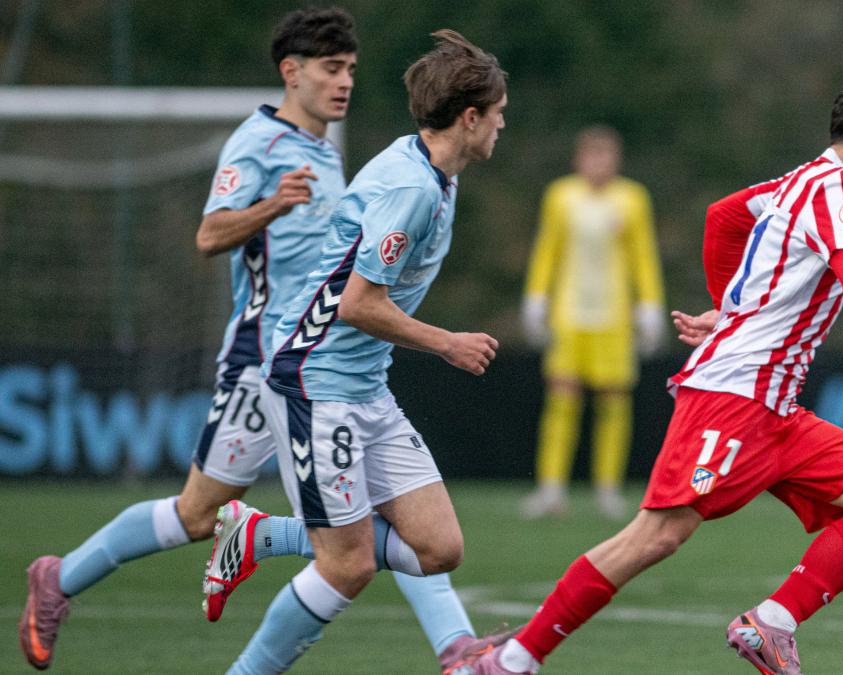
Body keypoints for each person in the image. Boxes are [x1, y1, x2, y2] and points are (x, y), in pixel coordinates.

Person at [463, 69, 843, 674]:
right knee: (654, 538)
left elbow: (724, 216)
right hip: (734, 399)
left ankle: (770, 624)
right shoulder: (834, 189)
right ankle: (511, 660)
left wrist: (733, 312)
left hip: (775, 407)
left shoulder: (799, 182)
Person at [18, 10, 500, 672]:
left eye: (352, 70)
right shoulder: (257, 144)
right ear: (291, 72)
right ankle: (61, 575)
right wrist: (273, 204)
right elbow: (210, 235)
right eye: (332, 70)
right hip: (267, 354)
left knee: (367, 532)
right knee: (203, 516)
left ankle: (452, 643)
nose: (344, 83)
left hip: (319, 352)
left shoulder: (333, 155)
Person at [220, 29, 508, 674]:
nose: (501, 125)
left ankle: (263, 534)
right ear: (469, 118)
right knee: (346, 565)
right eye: (498, 113)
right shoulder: (411, 189)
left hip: (365, 386)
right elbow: (357, 305)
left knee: (438, 549)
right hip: (315, 381)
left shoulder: (432, 172)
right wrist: (448, 343)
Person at [520, 126, 666, 519]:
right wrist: (536, 297)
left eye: (606, 155)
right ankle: (551, 488)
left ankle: (608, 489)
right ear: (578, 159)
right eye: (592, 155)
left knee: (613, 401)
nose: (598, 163)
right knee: (561, 399)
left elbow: (643, 256)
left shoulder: (632, 199)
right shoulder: (561, 196)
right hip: (570, 313)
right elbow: (547, 249)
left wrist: (650, 305)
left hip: (614, 316)